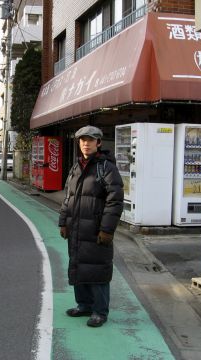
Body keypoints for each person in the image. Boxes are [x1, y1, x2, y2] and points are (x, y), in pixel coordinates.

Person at [59, 125, 124, 328]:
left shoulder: (106, 168)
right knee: (79, 268)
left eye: (90, 140)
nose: (86, 143)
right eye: (82, 140)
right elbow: (68, 197)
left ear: (98, 143)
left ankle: (99, 311)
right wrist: (63, 221)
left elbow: (115, 200)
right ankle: (84, 305)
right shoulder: (76, 167)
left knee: (97, 271)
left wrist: (107, 229)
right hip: (77, 229)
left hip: (96, 230)